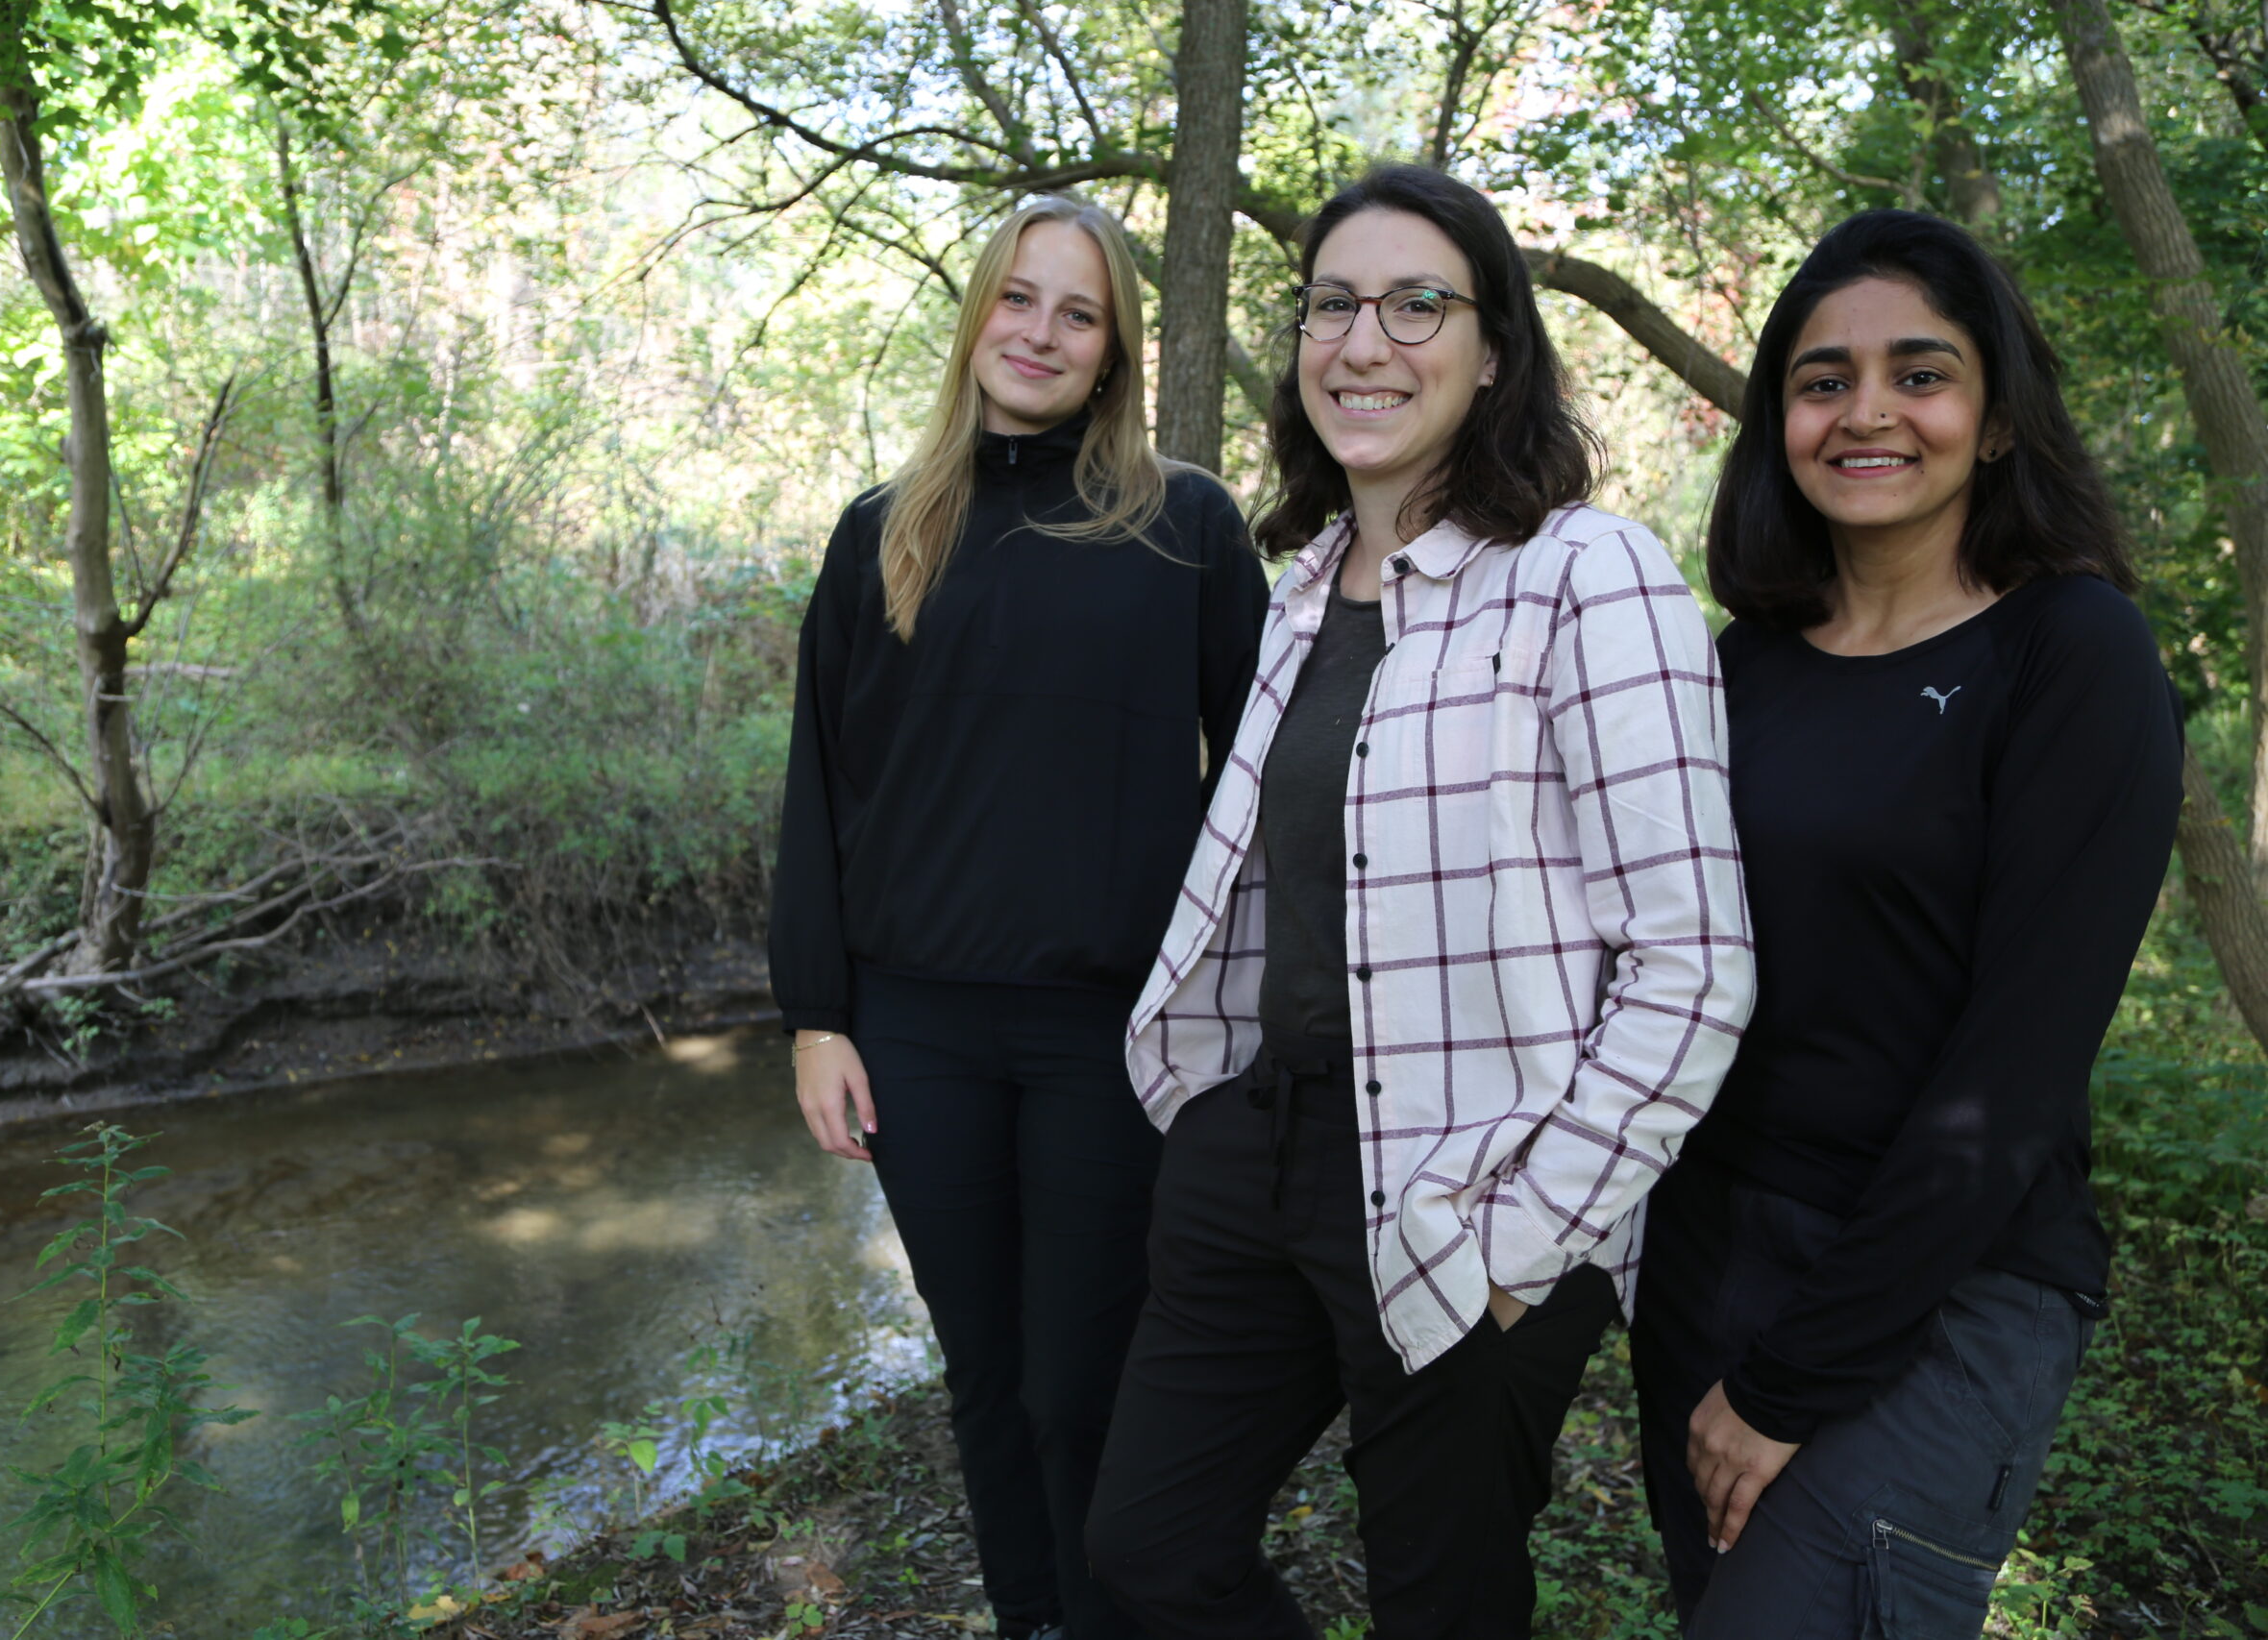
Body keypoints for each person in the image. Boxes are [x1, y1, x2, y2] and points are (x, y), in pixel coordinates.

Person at [1084, 162, 1756, 1640]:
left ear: (1494, 348)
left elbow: (1694, 965)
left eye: (1415, 304)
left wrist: (1532, 1242)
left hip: (1477, 1178)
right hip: (1260, 1150)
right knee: (1144, 1557)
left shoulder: (1591, 575)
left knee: (1441, 1608)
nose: (1364, 340)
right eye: (1334, 304)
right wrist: (1208, 1113)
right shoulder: (1307, 590)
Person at [1628, 208, 2182, 1639]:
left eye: (1919, 374)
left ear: (1994, 420)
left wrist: (1786, 1386)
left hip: (1941, 1291)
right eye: (1823, 382)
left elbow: (2014, 1077)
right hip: (1706, 1265)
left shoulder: (2072, 652)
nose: (1867, 411)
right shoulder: (1737, 668)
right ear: (1780, 423)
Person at [769, 194, 1269, 1640]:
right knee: (983, 1377)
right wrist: (816, 1015)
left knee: (1080, 1383)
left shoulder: (1182, 523)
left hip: (1103, 1035)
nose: (1040, 332)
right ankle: (1033, 1620)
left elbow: (1258, 777)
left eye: (1078, 310)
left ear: (1114, 349)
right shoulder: (886, 531)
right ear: (978, 313)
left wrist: (1249, 1008)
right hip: (914, 1027)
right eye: (1018, 299)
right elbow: (824, 781)